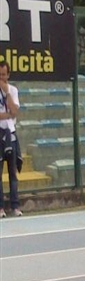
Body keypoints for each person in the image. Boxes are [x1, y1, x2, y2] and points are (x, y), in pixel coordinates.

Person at [0, 61, 22, 217]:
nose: (2, 77)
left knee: (13, 173)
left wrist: (6, 93)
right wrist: (9, 115)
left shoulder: (13, 90)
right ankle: (0, 207)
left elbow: (15, 111)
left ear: (8, 75)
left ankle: (15, 206)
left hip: (11, 135)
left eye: (4, 74)